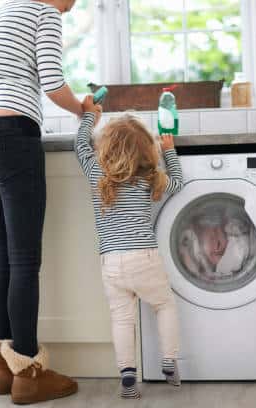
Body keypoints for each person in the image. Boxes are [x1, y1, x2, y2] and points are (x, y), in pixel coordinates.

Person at [0, 0, 82, 404]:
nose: (70, 7)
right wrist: (83, 108)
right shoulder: (43, 13)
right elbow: (51, 79)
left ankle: (3, 370)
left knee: (3, 258)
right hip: (12, 135)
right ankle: (29, 373)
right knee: (25, 261)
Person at [75, 96, 184, 399]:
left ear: (106, 149)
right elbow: (178, 182)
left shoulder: (99, 177)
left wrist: (89, 117)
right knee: (163, 305)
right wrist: (169, 151)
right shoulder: (150, 180)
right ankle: (169, 360)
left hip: (111, 263)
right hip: (144, 257)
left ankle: (127, 375)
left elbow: (80, 146)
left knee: (122, 318)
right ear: (146, 150)